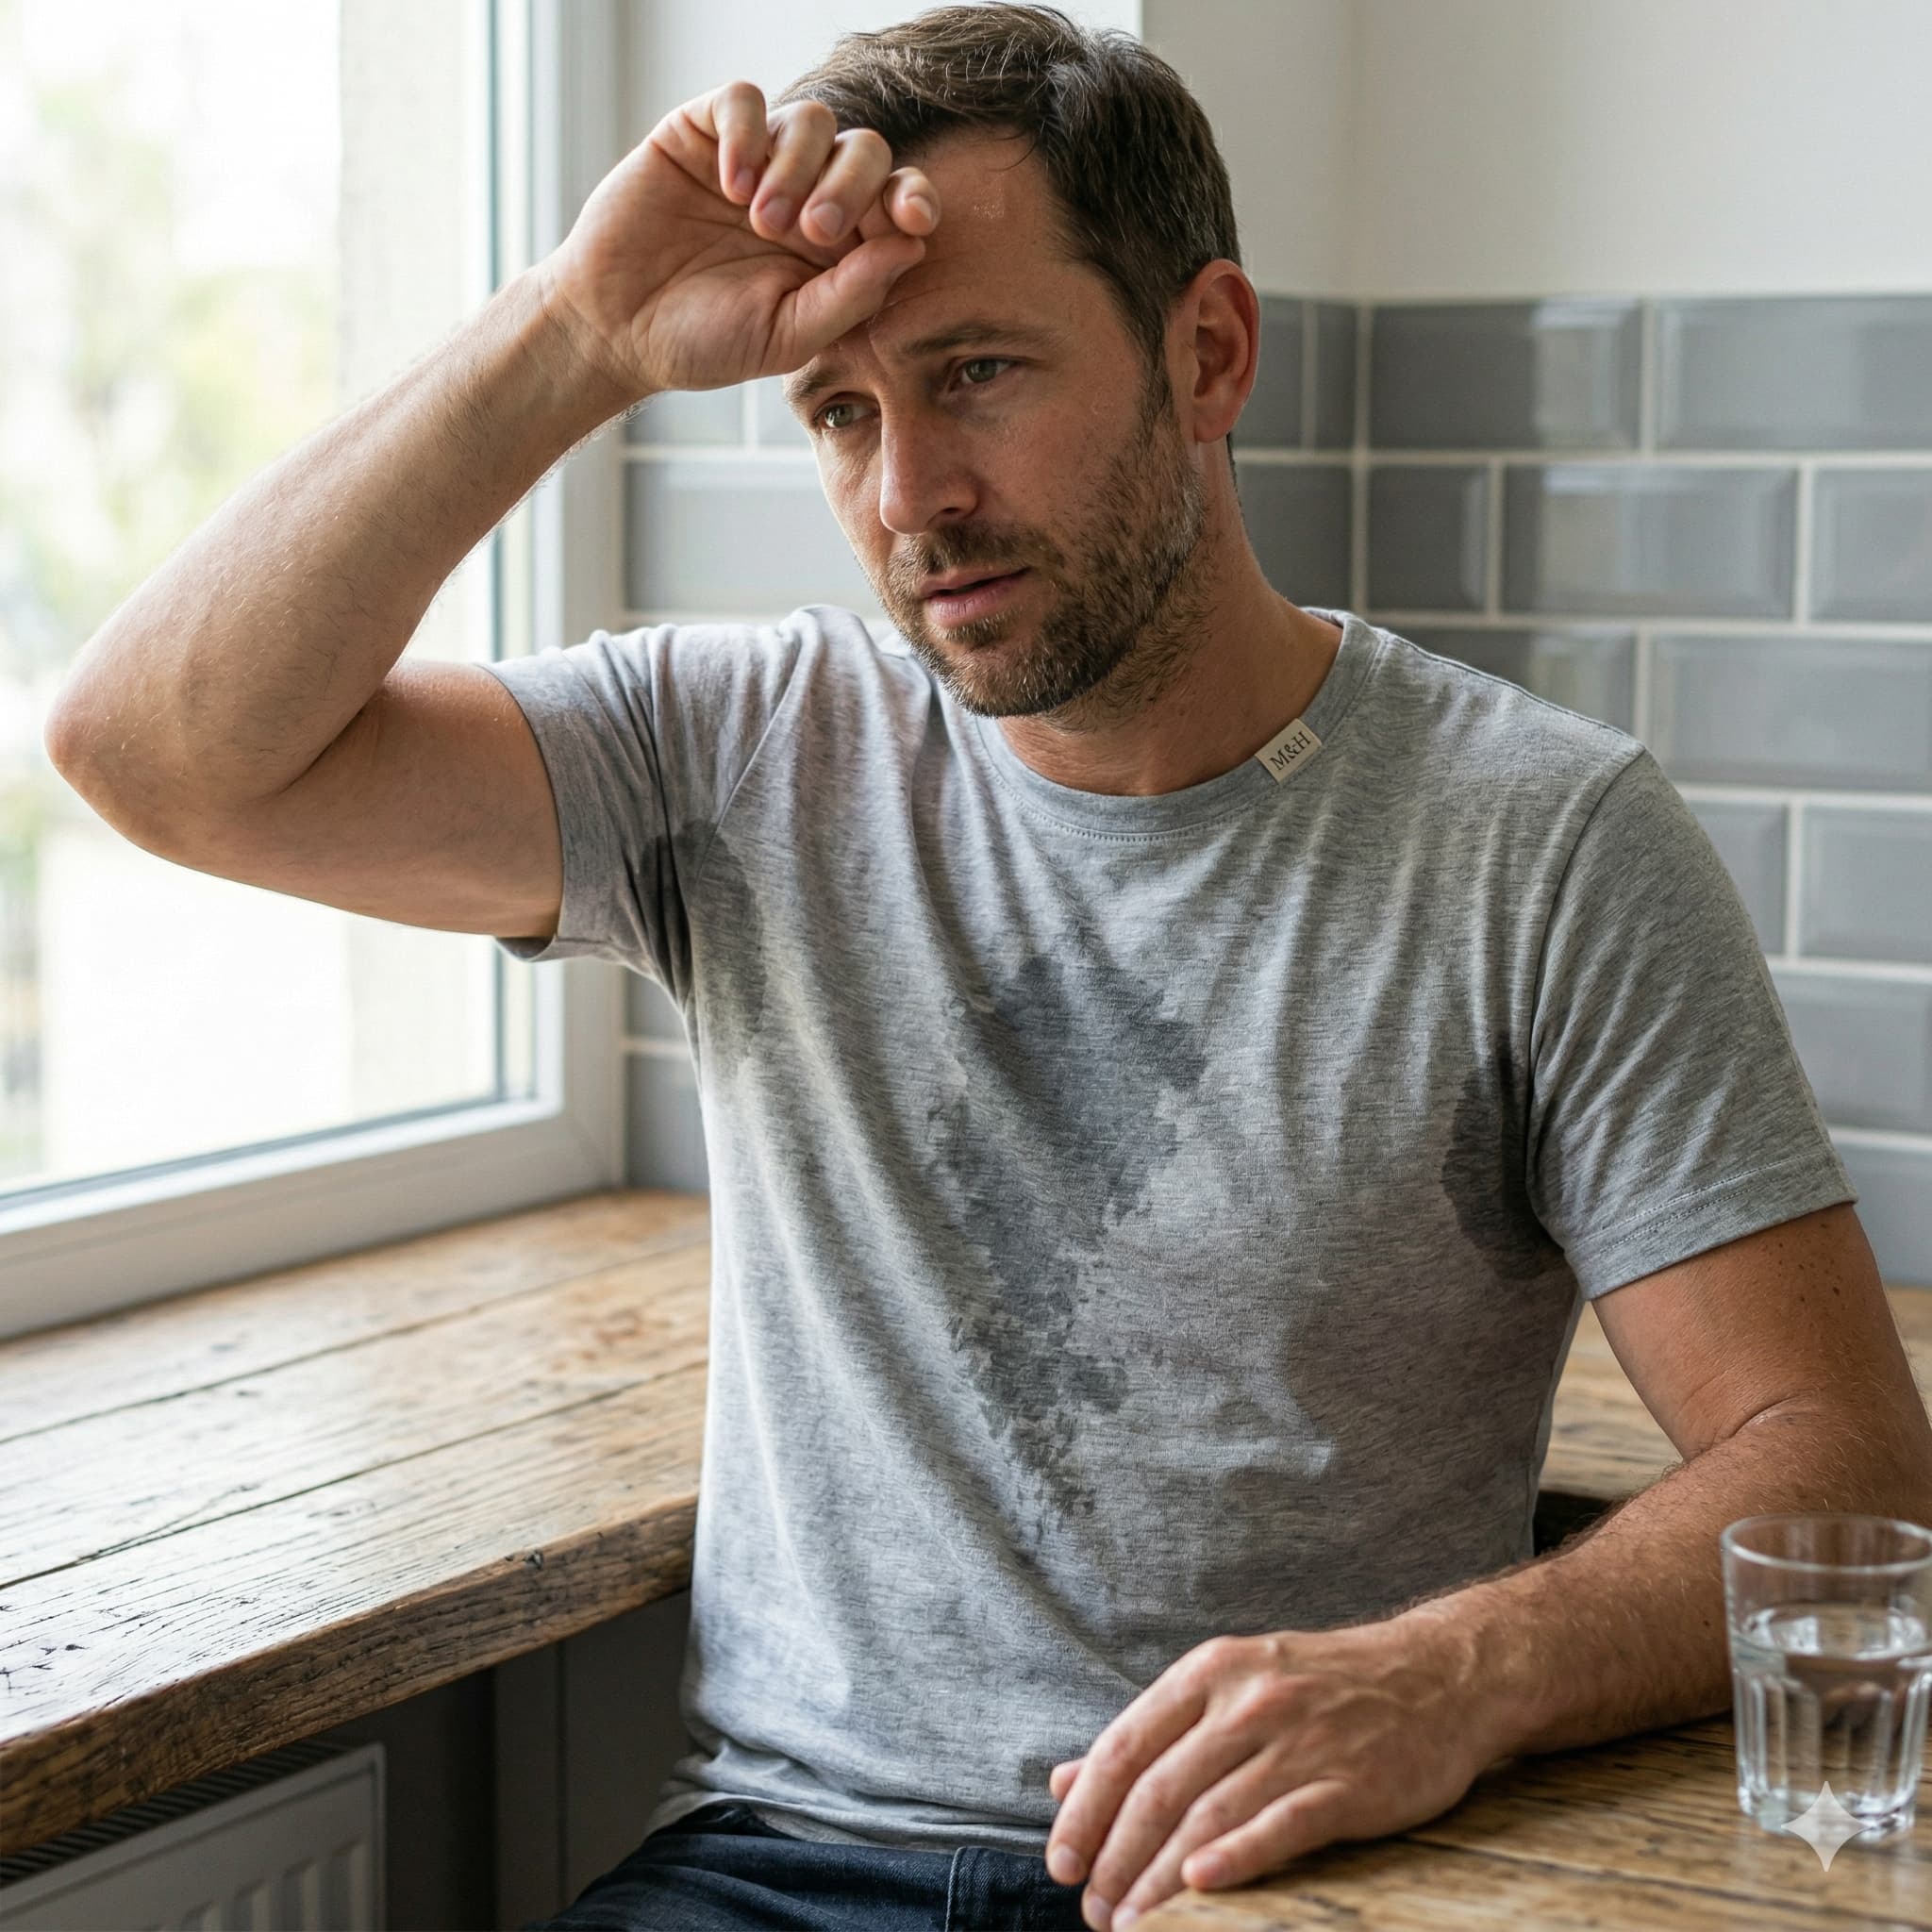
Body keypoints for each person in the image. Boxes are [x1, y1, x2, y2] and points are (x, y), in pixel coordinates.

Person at [42, 7, 1932, 1930]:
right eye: (841, 413)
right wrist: (575, 332)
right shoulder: (740, 750)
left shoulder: (1541, 838)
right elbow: (158, 756)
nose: (908, 495)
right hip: (783, 1871)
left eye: (976, 374)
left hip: (1270, 1876)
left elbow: (1845, 1469)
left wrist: (1448, 1678)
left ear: (1209, 352)